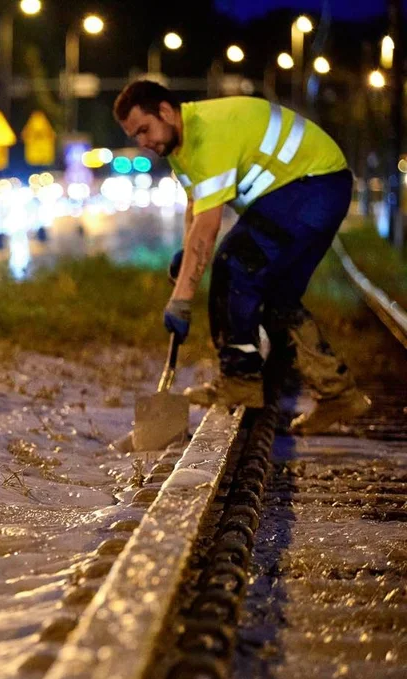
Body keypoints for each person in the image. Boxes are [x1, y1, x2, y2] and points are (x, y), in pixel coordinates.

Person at [113, 80, 370, 434]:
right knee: (278, 297)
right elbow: (196, 206)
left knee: (234, 266)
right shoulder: (181, 150)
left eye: (144, 129)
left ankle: (239, 380)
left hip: (311, 186)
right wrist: (188, 253)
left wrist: (181, 299)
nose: (142, 142)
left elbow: (209, 225)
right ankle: (338, 394)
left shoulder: (208, 133)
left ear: (167, 112)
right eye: (134, 136)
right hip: (317, 190)